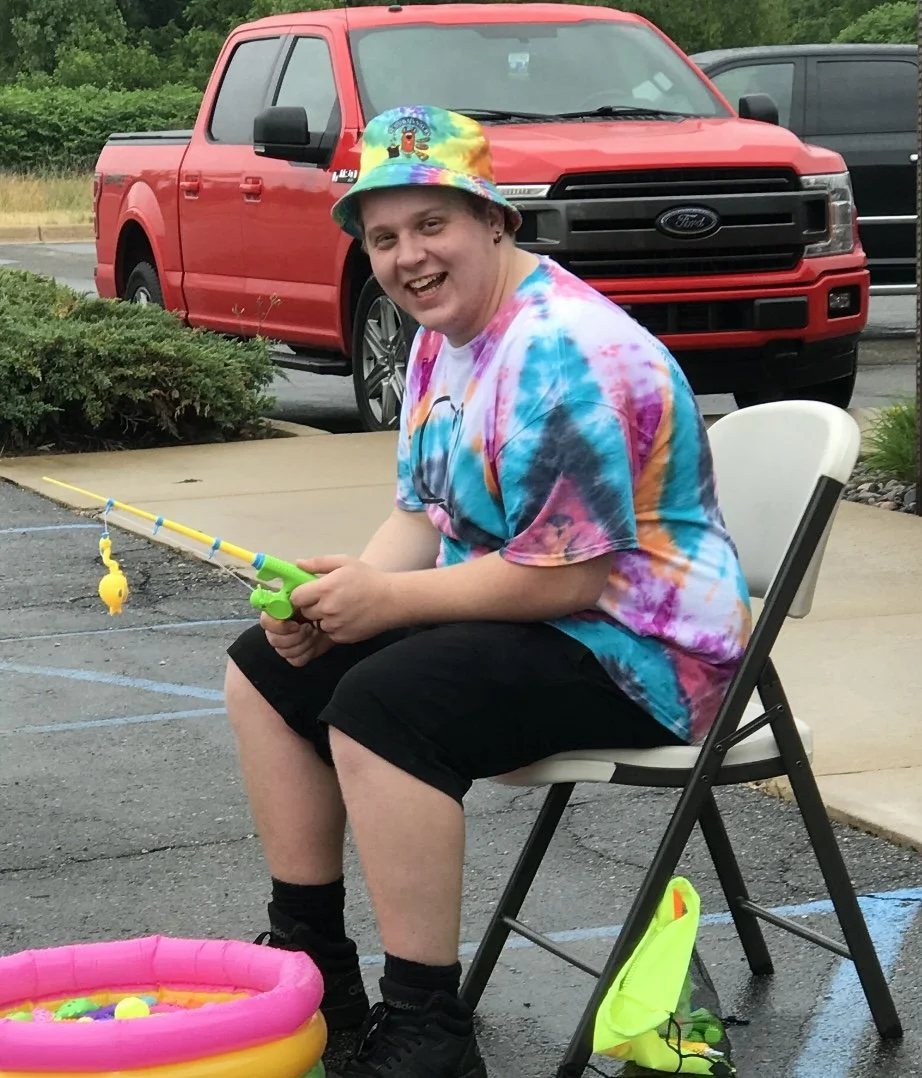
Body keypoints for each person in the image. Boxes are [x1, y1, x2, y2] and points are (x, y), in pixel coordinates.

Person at [223, 104, 752, 1078]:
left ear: (493, 221)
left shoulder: (565, 352)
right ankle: (313, 965)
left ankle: (427, 1029)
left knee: (383, 707)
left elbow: (571, 575)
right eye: (384, 237)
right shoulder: (443, 333)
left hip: (648, 651)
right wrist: (336, 601)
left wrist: (387, 606)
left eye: (432, 224)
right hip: (541, 614)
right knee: (266, 665)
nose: (408, 256)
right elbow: (419, 517)